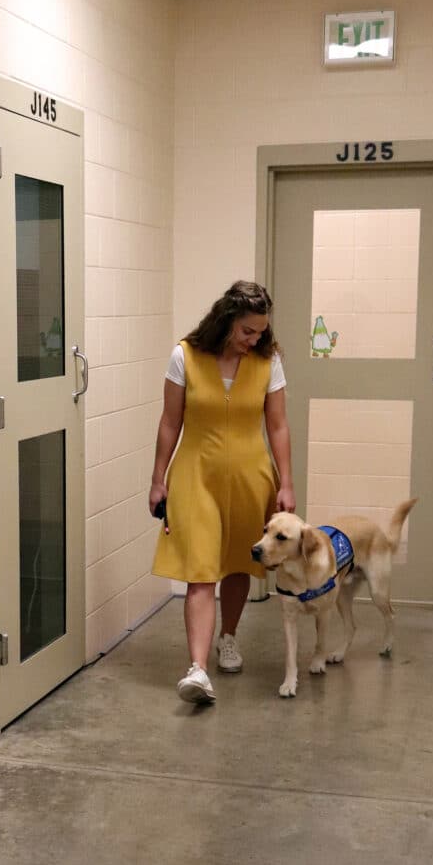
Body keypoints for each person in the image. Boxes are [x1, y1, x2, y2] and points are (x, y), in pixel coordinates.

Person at [149, 281, 295, 704]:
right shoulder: (186, 356)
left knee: (237, 565)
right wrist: (159, 478)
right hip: (196, 476)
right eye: (248, 331)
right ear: (226, 320)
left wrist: (286, 482)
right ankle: (197, 669)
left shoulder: (269, 362)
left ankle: (227, 637)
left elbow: (278, 426)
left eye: (261, 332)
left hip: (252, 476)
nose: (255, 340)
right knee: (200, 569)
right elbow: (169, 423)